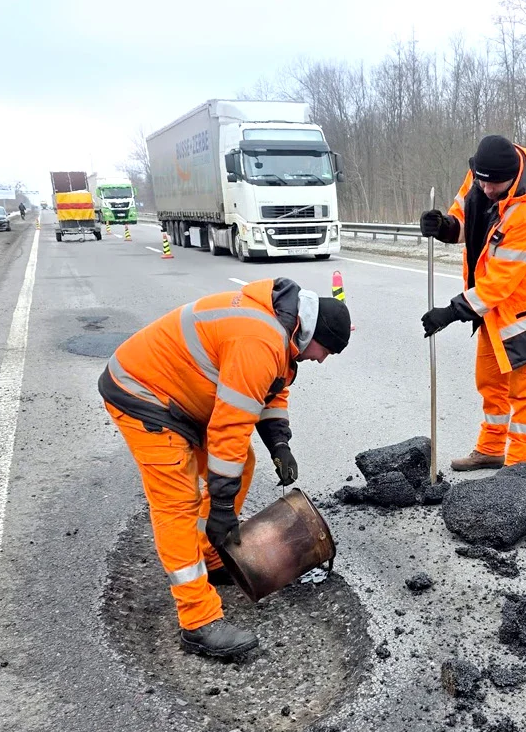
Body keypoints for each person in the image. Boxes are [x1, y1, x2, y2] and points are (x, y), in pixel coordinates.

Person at [99, 278, 351, 658]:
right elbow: (229, 429)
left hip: (181, 398)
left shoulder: (284, 329)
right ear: (312, 335)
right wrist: (220, 508)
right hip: (144, 395)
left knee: (243, 463)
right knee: (177, 503)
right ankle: (197, 621)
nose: (322, 359)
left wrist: (279, 443)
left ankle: (210, 555)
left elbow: (271, 388)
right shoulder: (260, 340)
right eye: (325, 351)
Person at [419, 134, 526, 470]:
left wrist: (451, 311)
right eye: (481, 182)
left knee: (525, 393)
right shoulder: (482, 176)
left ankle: (517, 468)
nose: (485, 190)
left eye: (493, 185)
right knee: (489, 381)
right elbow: (465, 223)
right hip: (493, 308)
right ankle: (491, 448)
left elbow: (500, 282)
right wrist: (443, 226)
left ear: (512, 178)